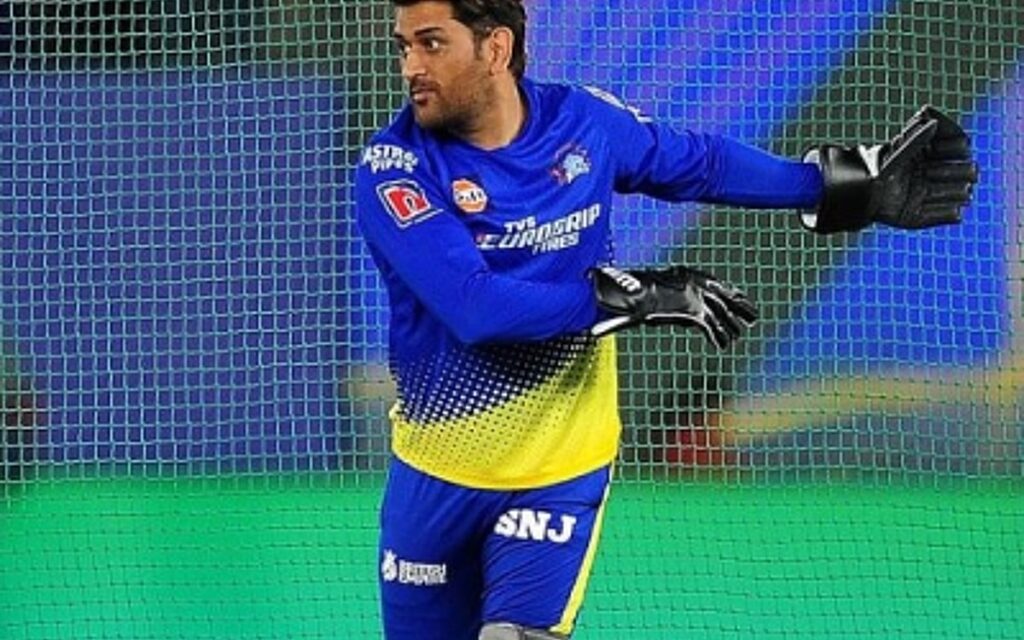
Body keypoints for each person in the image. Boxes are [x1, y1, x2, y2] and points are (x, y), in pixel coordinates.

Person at [353, 1, 978, 638]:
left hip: (559, 470)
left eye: (432, 44)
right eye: (404, 46)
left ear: (495, 48)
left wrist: (833, 186)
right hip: (435, 476)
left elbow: (700, 163)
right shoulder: (395, 168)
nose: (411, 66)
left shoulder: (582, 123)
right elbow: (475, 307)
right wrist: (634, 296)